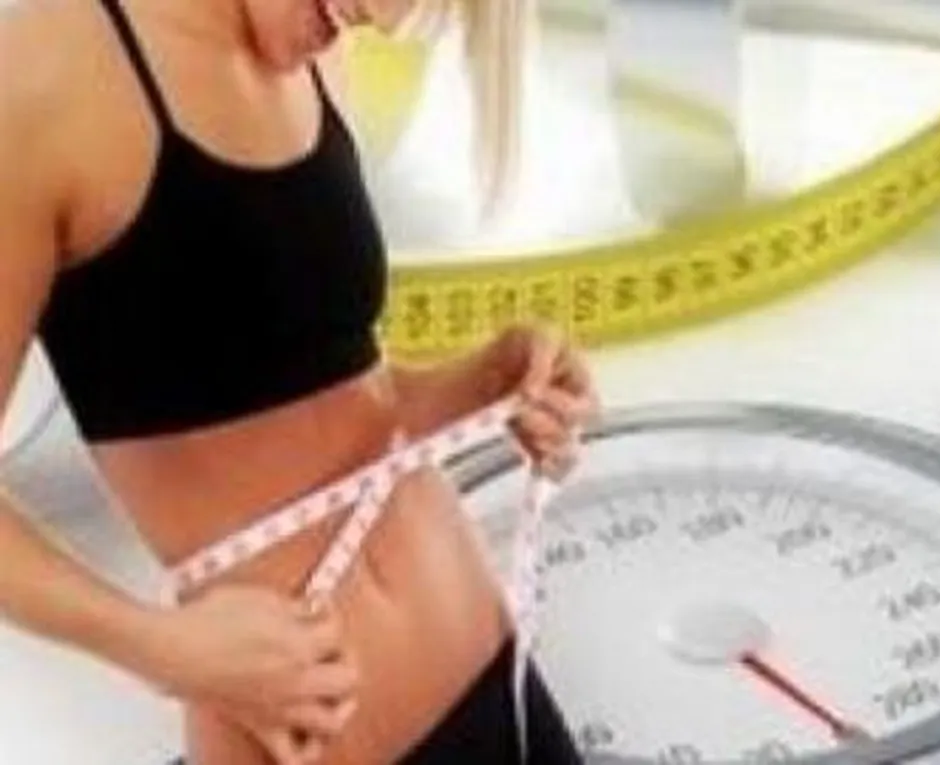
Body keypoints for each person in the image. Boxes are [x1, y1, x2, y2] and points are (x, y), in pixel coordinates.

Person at [0, 0, 597, 762]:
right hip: (309, 730)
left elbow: (328, 402)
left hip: (486, 663)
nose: (382, 25)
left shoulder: (318, 53)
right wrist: (162, 649)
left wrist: (481, 383)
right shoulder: (43, 79)